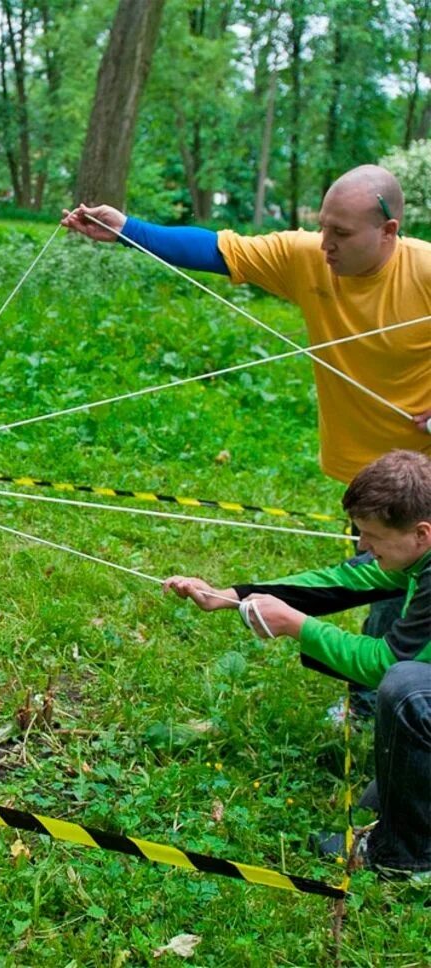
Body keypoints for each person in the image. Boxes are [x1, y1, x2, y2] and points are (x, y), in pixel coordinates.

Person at [63, 164, 431, 715]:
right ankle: (377, 702)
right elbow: (215, 249)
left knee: (404, 598)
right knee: (369, 575)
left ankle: (388, 705)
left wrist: (296, 627)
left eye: (342, 234)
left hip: (422, 473)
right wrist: (127, 228)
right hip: (368, 472)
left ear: (389, 231)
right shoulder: (309, 256)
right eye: (323, 226)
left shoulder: (424, 271)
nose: (325, 243)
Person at [163, 449, 431, 879]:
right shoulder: (422, 552)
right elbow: (346, 581)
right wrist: (231, 595)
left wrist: (298, 626)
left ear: (421, 533)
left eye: (371, 536)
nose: (362, 545)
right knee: (382, 800)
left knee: (406, 688)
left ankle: (406, 861)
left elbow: (387, 664)